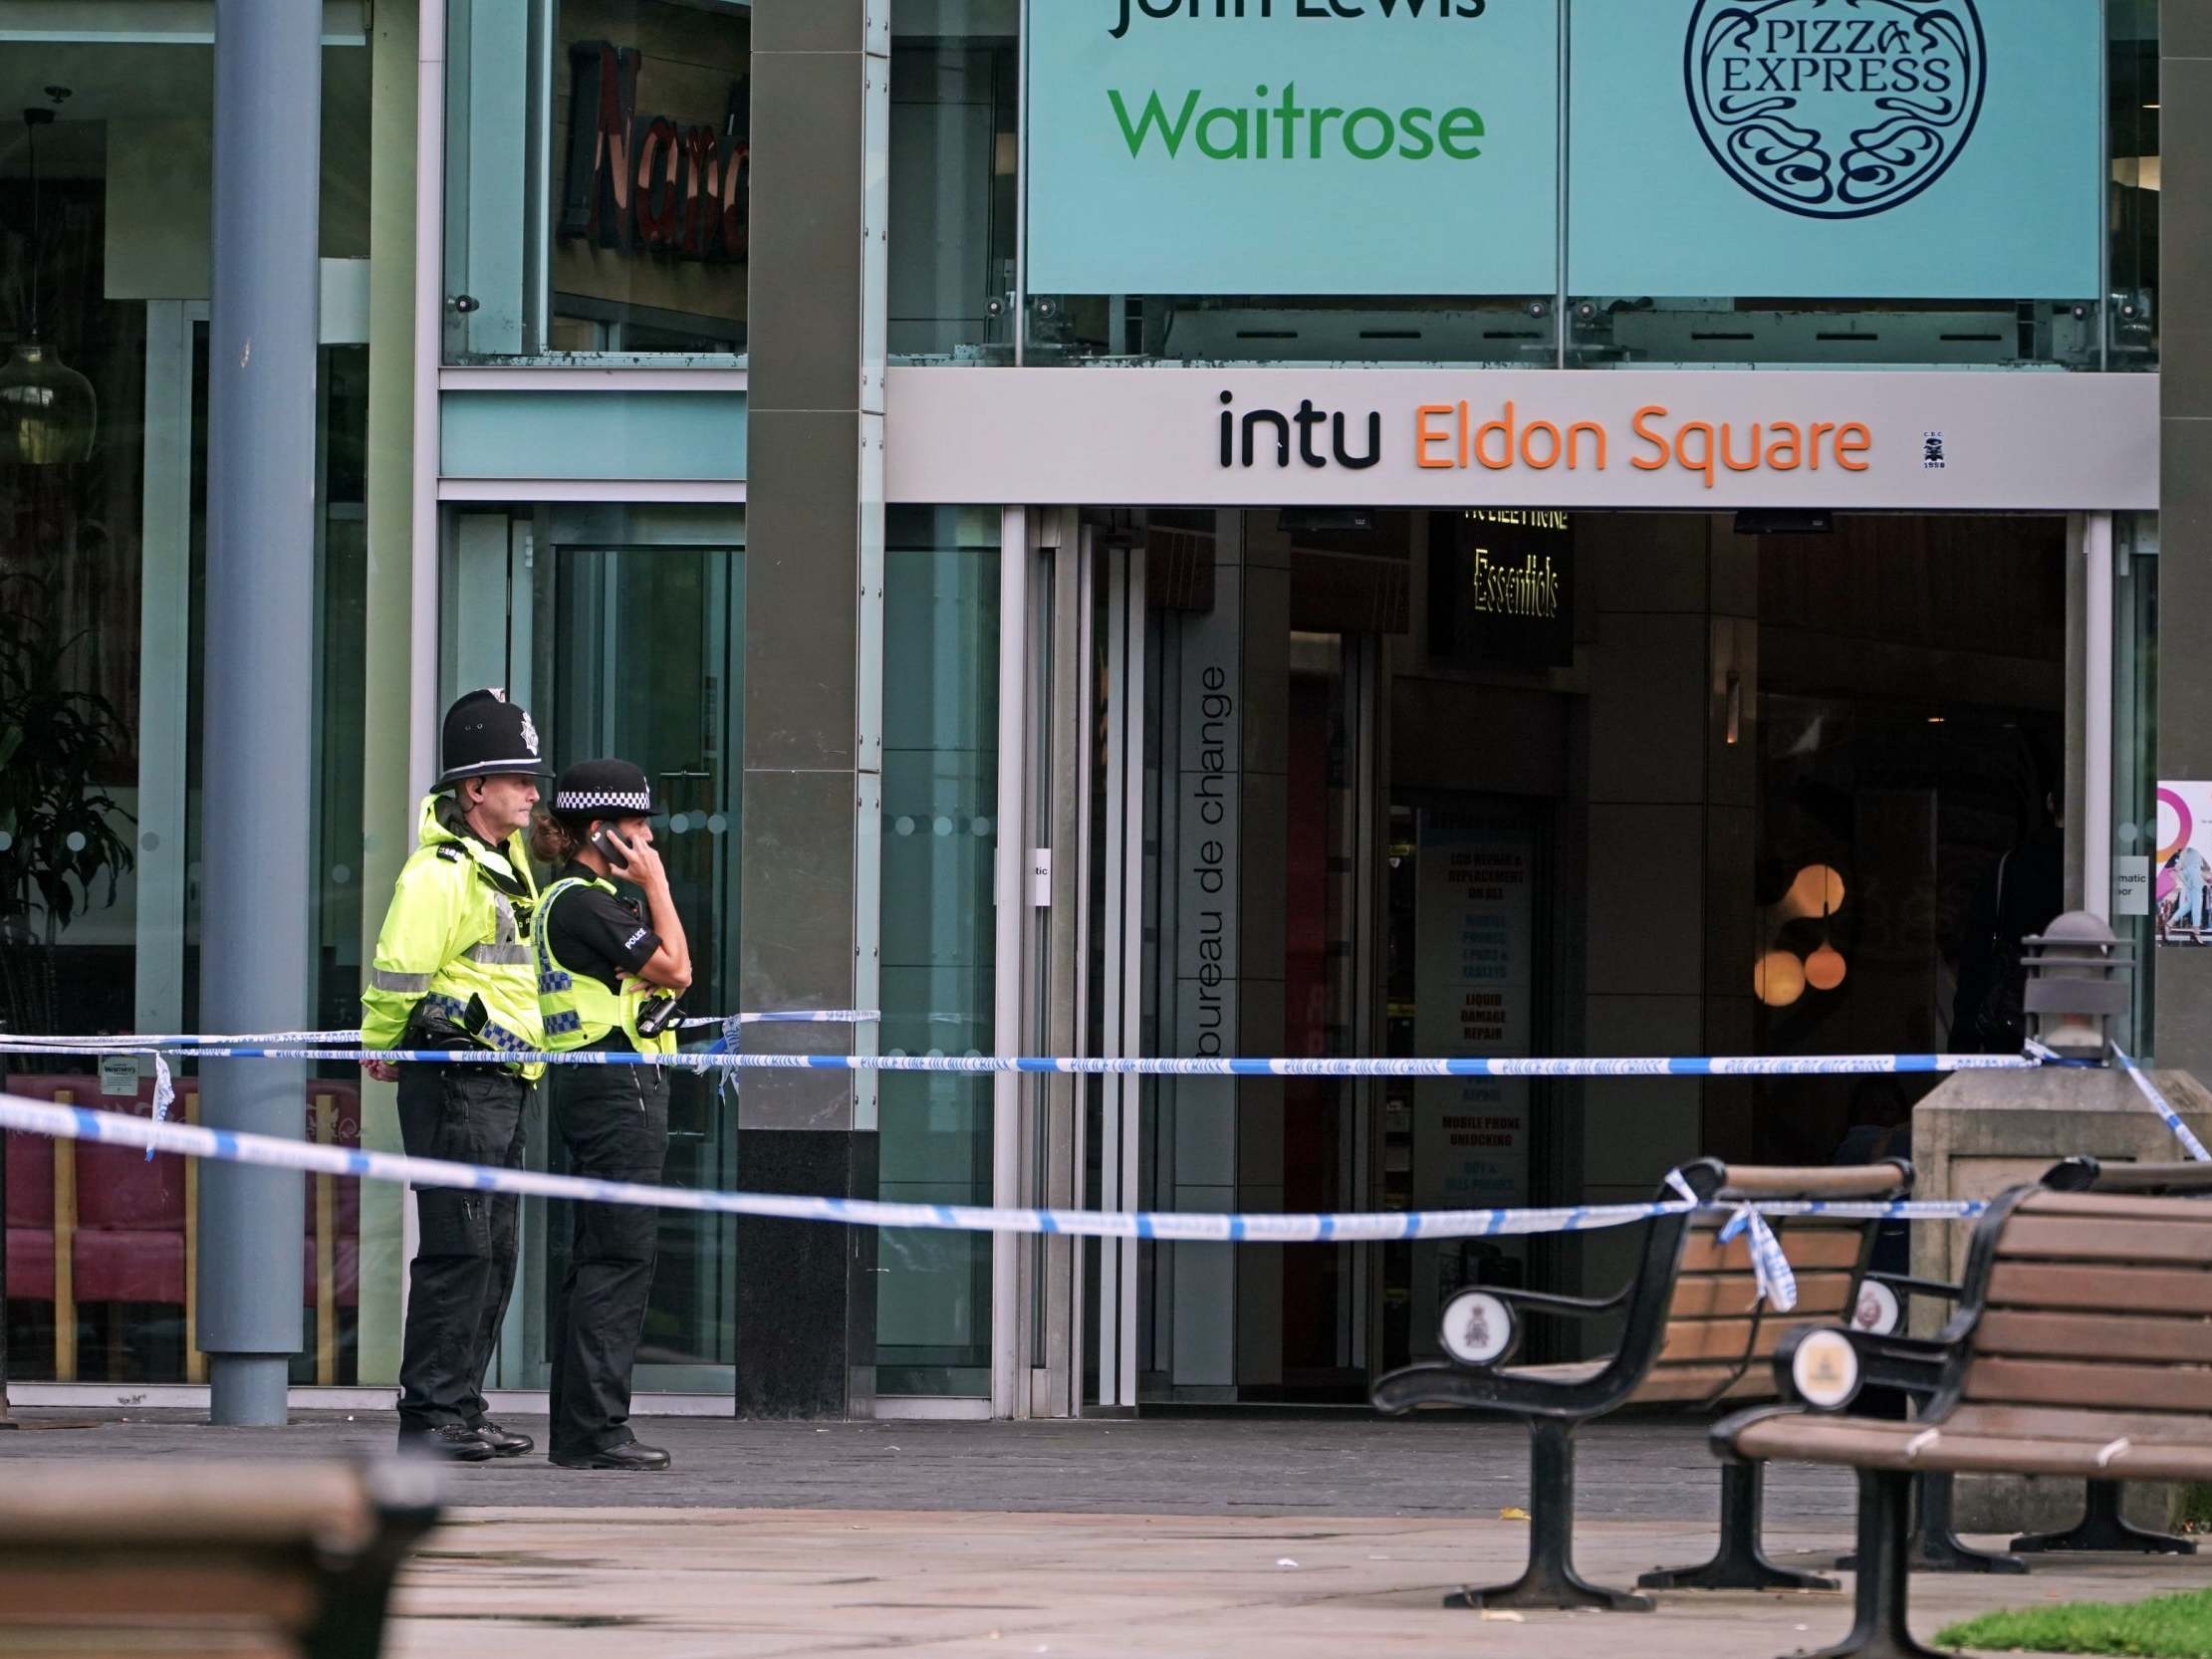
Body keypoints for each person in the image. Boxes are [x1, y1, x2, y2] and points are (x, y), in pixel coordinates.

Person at [361, 689, 549, 1463]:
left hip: (503, 1074)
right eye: (517, 778)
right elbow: (399, 970)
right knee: (458, 1249)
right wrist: (381, 1044)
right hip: (456, 1074)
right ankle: (431, 1415)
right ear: (474, 789)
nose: (534, 792)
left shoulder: (502, 867)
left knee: (493, 1252)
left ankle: (461, 1408)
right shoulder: (439, 872)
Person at [531, 760, 693, 1472]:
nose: (649, 838)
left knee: (603, 1257)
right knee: (618, 1259)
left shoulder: (587, 898)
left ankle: (582, 1431)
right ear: (602, 831)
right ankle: (596, 1432)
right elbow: (677, 969)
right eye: (637, 827)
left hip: (607, 1081)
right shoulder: (583, 902)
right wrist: (655, 887)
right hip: (613, 1084)